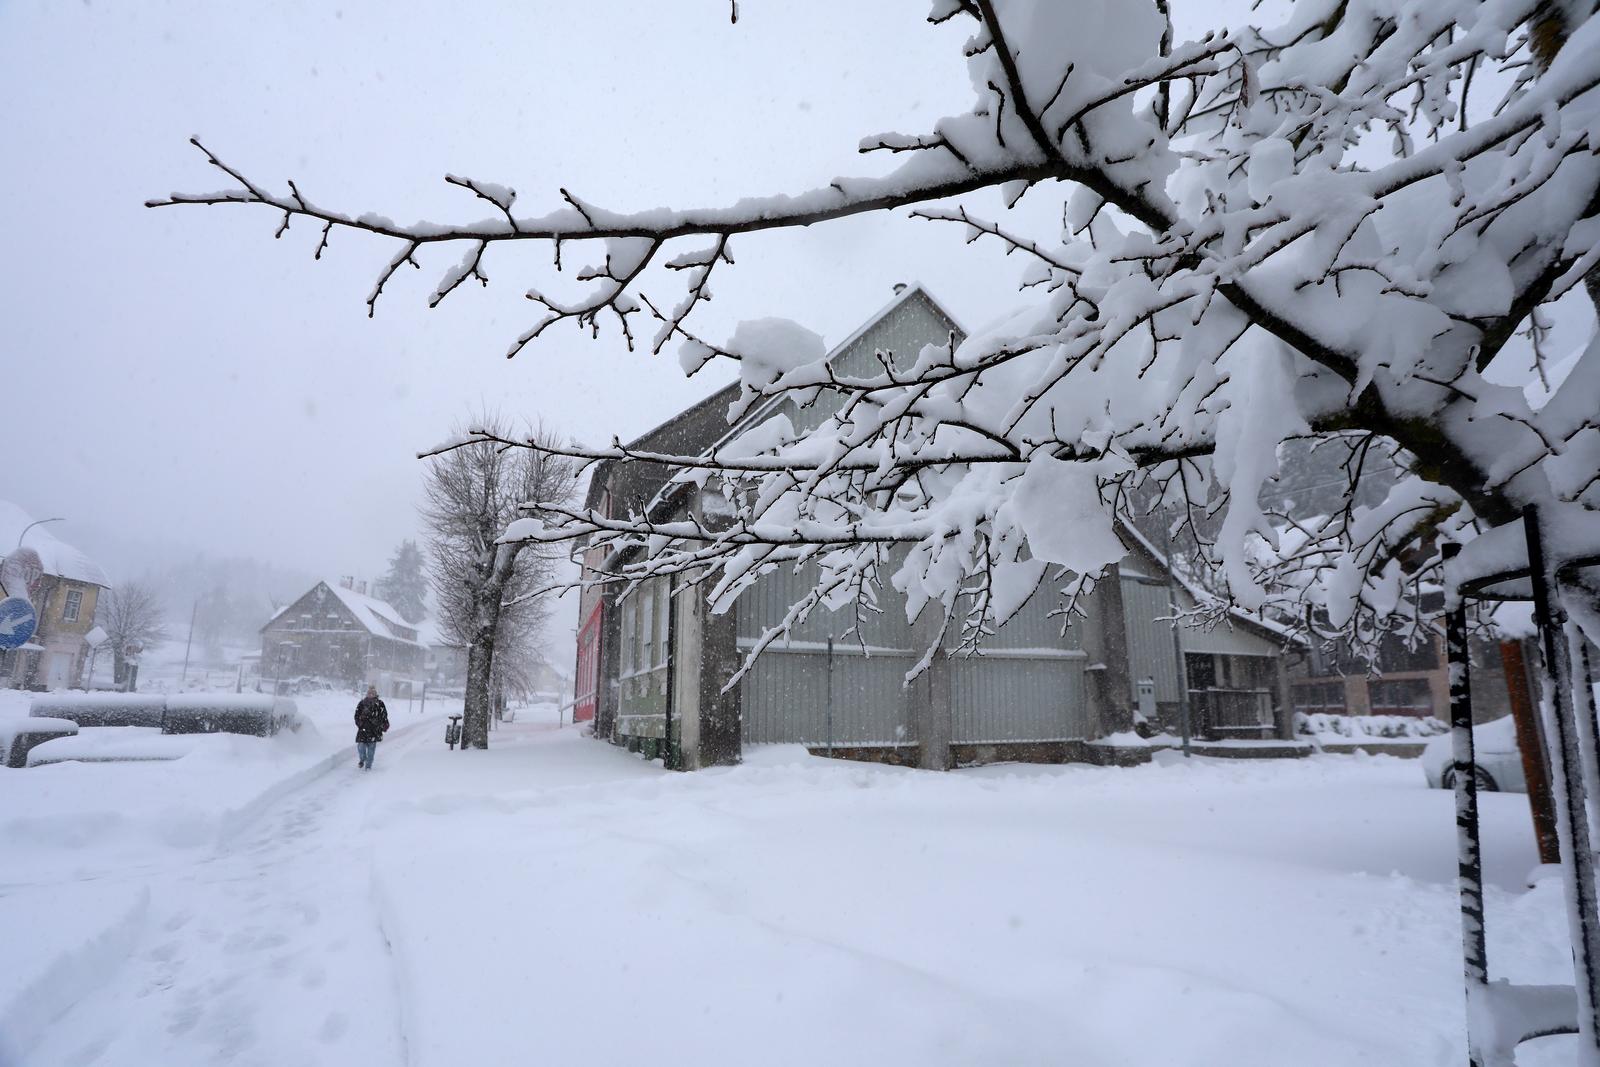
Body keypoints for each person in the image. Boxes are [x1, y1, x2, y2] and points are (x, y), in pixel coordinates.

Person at [354, 685, 389, 770]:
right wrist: (360, 723)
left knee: (371, 751)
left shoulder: (380, 704)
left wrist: (382, 724)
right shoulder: (362, 703)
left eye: (372, 693)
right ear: (367, 694)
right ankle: (362, 760)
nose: (370, 694)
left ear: (375, 694)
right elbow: (356, 715)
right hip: (363, 730)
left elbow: (384, 715)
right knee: (361, 747)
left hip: (374, 730)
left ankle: (368, 766)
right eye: (369, 693)